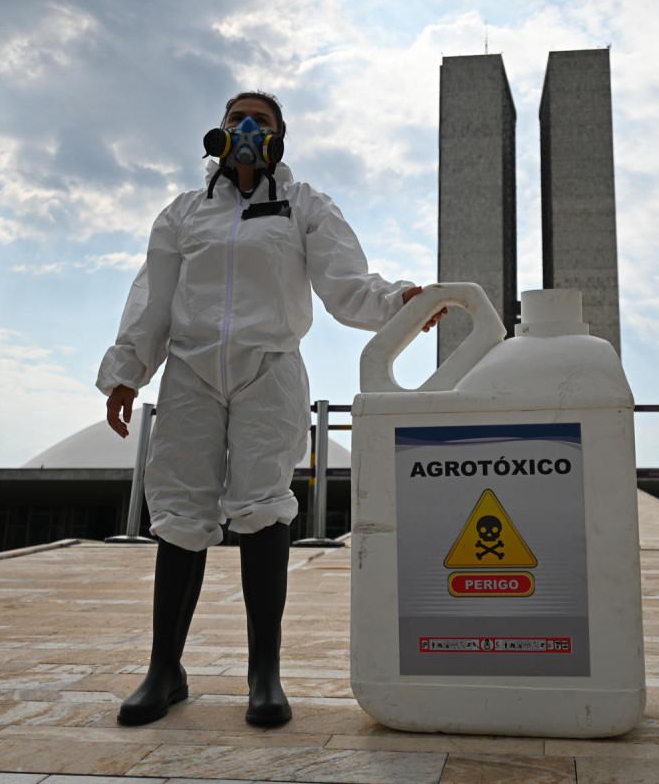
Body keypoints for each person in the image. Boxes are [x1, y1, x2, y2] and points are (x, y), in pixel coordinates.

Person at [98, 91, 443, 727]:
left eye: (261, 120)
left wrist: (401, 303)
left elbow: (346, 283)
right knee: (179, 513)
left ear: (280, 136)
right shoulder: (183, 214)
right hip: (191, 373)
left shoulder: (304, 205)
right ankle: (164, 670)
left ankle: (264, 675)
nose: (248, 128)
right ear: (219, 134)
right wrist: (126, 374)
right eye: (237, 119)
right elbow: (151, 297)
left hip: (269, 369)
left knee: (261, 511)